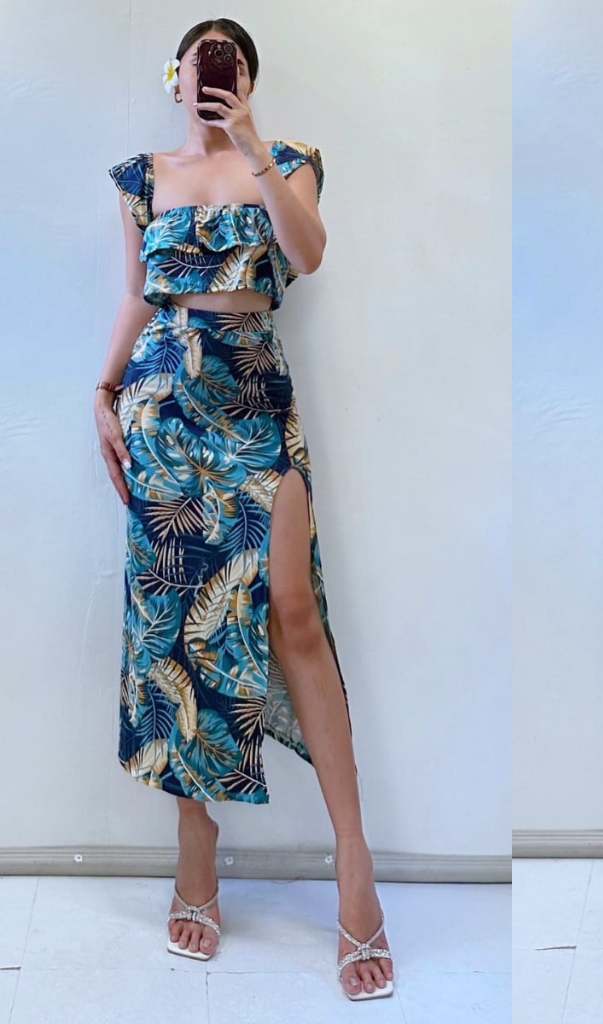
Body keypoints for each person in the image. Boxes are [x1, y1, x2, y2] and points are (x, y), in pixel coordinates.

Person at [94, 18, 395, 1001]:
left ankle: (354, 858)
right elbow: (139, 294)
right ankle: (196, 846)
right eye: (198, 65)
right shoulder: (143, 179)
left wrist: (254, 142)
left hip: (256, 402)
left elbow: (306, 255)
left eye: (227, 68)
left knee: (294, 613)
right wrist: (104, 389)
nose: (209, 80)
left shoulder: (291, 161)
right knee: (177, 627)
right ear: (174, 78)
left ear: (247, 82)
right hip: (163, 407)